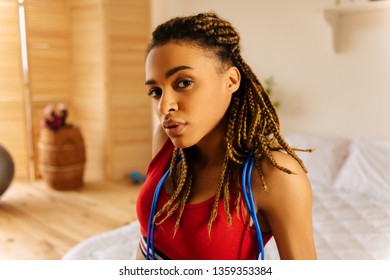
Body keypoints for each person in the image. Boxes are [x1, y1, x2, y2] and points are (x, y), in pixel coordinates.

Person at [135, 12, 316, 260]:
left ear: (230, 80)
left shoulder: (274, 177)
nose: (164, 107)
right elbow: (147, 244)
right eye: (155, 91)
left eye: (184, 83)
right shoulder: (166, 142)